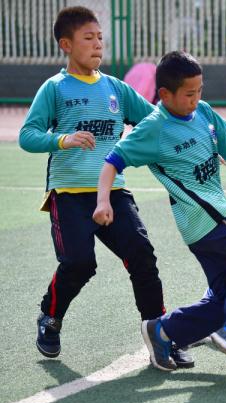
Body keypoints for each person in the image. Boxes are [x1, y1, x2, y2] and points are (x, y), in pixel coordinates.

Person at [93, 51, 226, 372]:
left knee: (220, 300)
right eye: (189, 94)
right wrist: (103, 201)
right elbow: (111, 162)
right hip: (208, 216)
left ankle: (163, 330)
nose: (196, 99)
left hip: (203, 226)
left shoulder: (204, 113)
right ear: (165, 94)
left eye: (200, 91)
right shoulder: (153, 128)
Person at [18, 6, 192, 368]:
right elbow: (28, 136)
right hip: (68, 194)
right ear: (66, 44)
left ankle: (160, 334)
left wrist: (199, 138)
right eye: (88, 37)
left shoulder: (115, 88)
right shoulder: (55, 88)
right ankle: (50, 317)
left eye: (100, 37)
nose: (98, 44)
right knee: (79, 263)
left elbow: (156, 119)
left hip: (113, 191)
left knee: (142, 255)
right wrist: (62, 140)